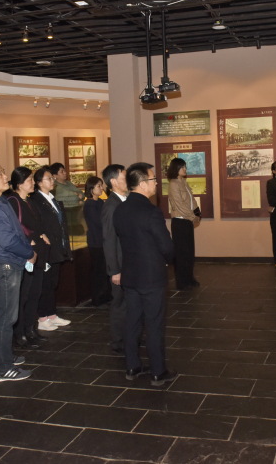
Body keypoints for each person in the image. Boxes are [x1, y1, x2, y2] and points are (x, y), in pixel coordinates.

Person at [114, 162, 176, 387]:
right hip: (151, 277)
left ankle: (132, 366)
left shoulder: (120, 210)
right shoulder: (151, 211)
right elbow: (166, 245)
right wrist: (168, 259)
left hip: (130, 275)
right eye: (153, 179)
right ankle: (158, 371)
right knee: (154, 324)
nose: (156, 183)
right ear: (142, 184)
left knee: (132, 321)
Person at [0, 161, 36, 382]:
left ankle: (3, 356)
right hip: (5, 265)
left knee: (6, 316)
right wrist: (29, 253)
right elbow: (8, 240)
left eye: (3, 172)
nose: (4, 176)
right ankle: (3, 368)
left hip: (8, 263)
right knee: (5, 318)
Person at [5, 166, 50, 349]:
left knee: (34, 293)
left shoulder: (30, 201)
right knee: (23, 295)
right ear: (19, 183)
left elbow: (37, 223)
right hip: (24, 253)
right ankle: (20, 333)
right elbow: (16, 226)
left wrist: (42, 234)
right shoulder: (13, 201)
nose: (33, 183)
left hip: (37, 252)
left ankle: (31, 329)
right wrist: (31, 237)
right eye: (29, 180)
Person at [29, 166, 72, 332]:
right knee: (44, 283)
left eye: (52, 178)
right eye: (49, 178)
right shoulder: (35, 201)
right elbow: (37, 225)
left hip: (56, 247)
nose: (52, 181)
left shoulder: (52, 199)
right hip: (45, 247)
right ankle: (42, 317)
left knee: (52, 282)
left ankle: (52, 314)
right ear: (39, 183)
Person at [101, 164, 127, 354]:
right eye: (124, 177)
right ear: (114, 182)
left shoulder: (125, 201)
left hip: (129, 262)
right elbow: (109, 240)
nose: (128, 180)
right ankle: (118, 340)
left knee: (130, 302)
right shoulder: (111, 206)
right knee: (119, 303)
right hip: (119, 264)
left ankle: (130, 334)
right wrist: (114, 270)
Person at [166, 157, 200, 290]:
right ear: (176, 169)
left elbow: (192, 200)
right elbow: (179, 204)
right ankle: (182, 282)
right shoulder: (173, 184)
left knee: (189, 252)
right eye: (182, 167)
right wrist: (192, 217)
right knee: (181, 253)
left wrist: (197, 213)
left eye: (185, 166)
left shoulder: (183, 182)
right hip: (180, 221)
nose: (185, 169)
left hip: (188, 220)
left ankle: (189, 278)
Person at [83, 175, 112, 307]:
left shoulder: (100, 202)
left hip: (103, 240)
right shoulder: (89, 204)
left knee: (105, 269)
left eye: (101, 185)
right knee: (98, 270)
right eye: (98, 186)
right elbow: (98, 222)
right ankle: (97, 296)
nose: (101, 188)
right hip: (96, 241)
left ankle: (106, 294)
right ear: (91, 189)